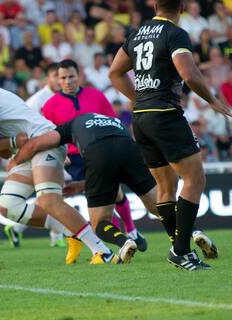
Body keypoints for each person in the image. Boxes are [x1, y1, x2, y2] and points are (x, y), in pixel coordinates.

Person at [0, 83, 135, 265]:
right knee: (8, 207)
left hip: (44, 140)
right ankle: (72, 231)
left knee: (48, 200)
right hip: (27, 150)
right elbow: (5, 150)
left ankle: (102, 252)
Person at [108, 0, 230, 270]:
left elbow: (115, 72)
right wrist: (211, 100)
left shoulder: (137, 33)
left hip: (141, 118)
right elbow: (189, 74)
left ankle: (179, 247)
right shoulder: (176, 34)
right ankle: (181, 250)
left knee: (165, 186)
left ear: (154, 6)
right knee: (195, 178)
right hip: (165, 114)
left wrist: (139, 99)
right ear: (183, 7)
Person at [8, 113, 157, 263]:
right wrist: (81, 185)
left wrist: (15, 163)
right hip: (129, 150)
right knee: (159, 204)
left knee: (99, 223)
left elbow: (35, 144)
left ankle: (124, 241)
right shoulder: (113, 121)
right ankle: (177, 241)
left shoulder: (71, 125)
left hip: (97, 155)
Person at [42, 59, 148, 258]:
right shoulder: (50, 106)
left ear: (79, 75)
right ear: (57, 79)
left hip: (103, 152)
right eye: (63, 77)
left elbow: (114, 122)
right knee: (101, 201)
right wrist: (61, 154)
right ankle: (123, 239)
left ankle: (131, 232)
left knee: (115, 194)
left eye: (71, 76)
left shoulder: (96, 96)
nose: (68, 81)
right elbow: (50, 135)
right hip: (75, 160)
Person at [4, 63, 66, 248]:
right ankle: (58, 235)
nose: (58, 80)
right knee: (51, 192)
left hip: (53, 147)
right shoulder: (37, 100)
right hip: (34, 150)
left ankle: (16, 229)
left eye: (61, 76)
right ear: (48, 77)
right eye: (55, 75)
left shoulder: (62, 98)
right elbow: (22, 128)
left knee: (52, 193)